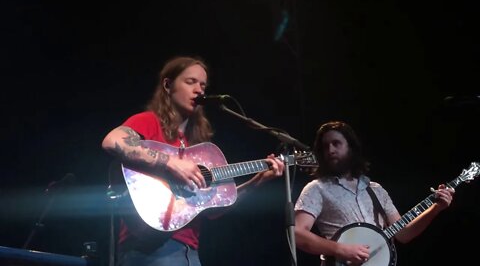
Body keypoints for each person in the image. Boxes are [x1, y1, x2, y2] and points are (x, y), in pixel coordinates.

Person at [101, 55, 285, 266]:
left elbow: (216, 209)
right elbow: (112, 141)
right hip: (150, 249)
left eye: (203, 85)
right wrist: (170, 164)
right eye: (190, 82)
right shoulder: (148, 121)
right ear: (168, 85)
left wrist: (259, 180)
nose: (199, 90)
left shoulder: (200, 148)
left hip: (190, 252)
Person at [294, 121, 455, 265]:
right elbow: (297, 234)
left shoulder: (375, 189)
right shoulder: (316, 188)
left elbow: (403, 234)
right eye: (325, 146)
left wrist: (435, 209)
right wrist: (340, 249)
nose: (330, 150)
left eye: (336, 143)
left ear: (351, 147)